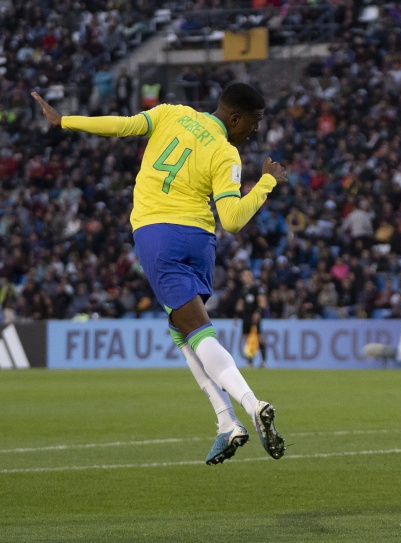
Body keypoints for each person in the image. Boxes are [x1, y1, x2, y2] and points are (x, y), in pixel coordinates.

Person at [31, 84, 288, 464]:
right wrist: (266, 182)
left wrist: (64, 120)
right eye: (254, 122)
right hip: (200, 241)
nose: (255, 130)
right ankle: (225, 422)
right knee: (181, 328)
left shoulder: (173, 113)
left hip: (158, 234)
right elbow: (231, 220)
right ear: (235, 117)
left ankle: (251, 405)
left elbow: (122, 125)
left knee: (198, 332)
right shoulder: (225, 152)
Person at [235, 268, 268, 368]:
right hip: (245, 317)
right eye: (244, 275)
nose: (246, 277)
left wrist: (258, 312)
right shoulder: (243, 290)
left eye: (248, 275)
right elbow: (240, 304)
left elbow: (263, 302)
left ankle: (263, 361)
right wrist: (236, 315)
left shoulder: (257, 288)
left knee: (259, 337)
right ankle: (250, 361)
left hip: (254, 316)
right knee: (246, 338)